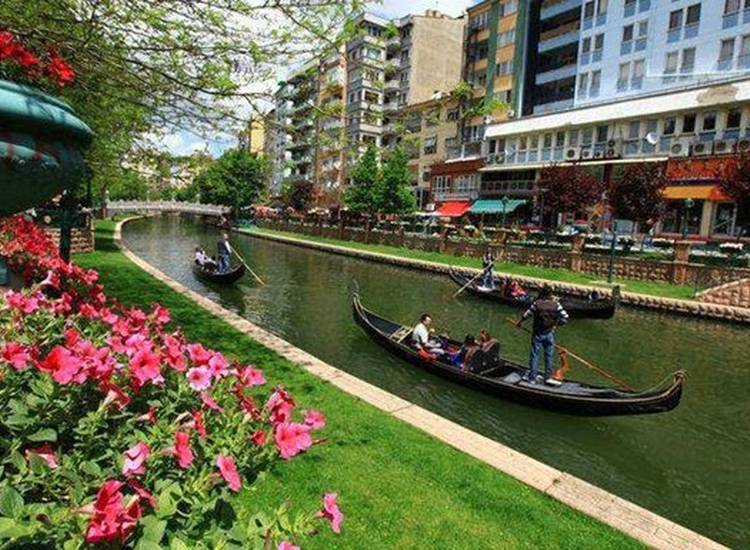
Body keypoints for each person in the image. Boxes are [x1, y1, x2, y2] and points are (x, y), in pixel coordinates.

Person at [517, 286, 569, 386]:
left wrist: (520, 322)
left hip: (537, 334)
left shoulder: (537, 304)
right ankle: (548, 377)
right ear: (550, 294)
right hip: (549, 334)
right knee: (549, 356)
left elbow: (527, 314)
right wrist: (556, 325)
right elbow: (565, 317)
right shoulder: (556, 304)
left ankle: (532, 378)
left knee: (535, 355)